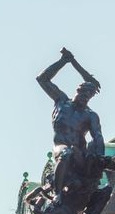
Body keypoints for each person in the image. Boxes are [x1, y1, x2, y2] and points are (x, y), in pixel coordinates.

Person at [36, 48, 104, 199]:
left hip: (79, 152)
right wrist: (64, 61)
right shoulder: (61, 102)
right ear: (77, 91)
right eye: (83, 94)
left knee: (91, 174)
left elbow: (98, 137)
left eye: (89, 97)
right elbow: (42, 79)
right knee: (66, 153)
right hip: (61, 147)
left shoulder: (90, 115)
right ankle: (58, 195)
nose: (85, 98)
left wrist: (100, 157)